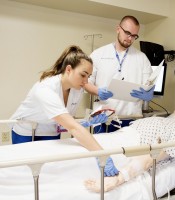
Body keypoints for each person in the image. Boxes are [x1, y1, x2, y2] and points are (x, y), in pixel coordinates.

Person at [10, 45, 118, 176]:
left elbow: (65, 123)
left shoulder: (76, 89)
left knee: (48, 170)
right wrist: (103, 155)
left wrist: (87, 121)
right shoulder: (45, 88)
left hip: (50, 130)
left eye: (88, 76)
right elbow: (73, 128)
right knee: (25, 173)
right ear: (68, 69)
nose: (86, 81)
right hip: (26, 131)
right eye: (83, 75)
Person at [84, 102, 175, 193]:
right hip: (115, 137)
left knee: (79, 155)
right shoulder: (162, 119)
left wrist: (118, 179)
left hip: (125, 147)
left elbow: (153, 156)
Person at [84, 15, 154, 133]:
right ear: (118, 29)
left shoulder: (142, 58)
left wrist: (149, 94)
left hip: (132, 119)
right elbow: (85, 82)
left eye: (134, 36)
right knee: (103, 149)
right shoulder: (98, 54)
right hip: (103, 118)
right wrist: (97, 91)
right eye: (127, 33)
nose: (130, 38)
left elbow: (149, 85)